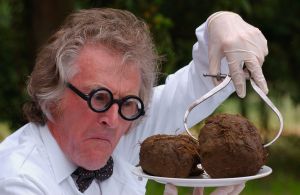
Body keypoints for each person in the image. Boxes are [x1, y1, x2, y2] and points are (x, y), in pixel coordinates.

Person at [0, 8, 268, 195]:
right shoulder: (17, 181)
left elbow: (201, 82)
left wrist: (221, 23)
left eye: (128, 102)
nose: (114, 120)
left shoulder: (123, 126)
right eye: (99, 97)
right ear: (53, 94)